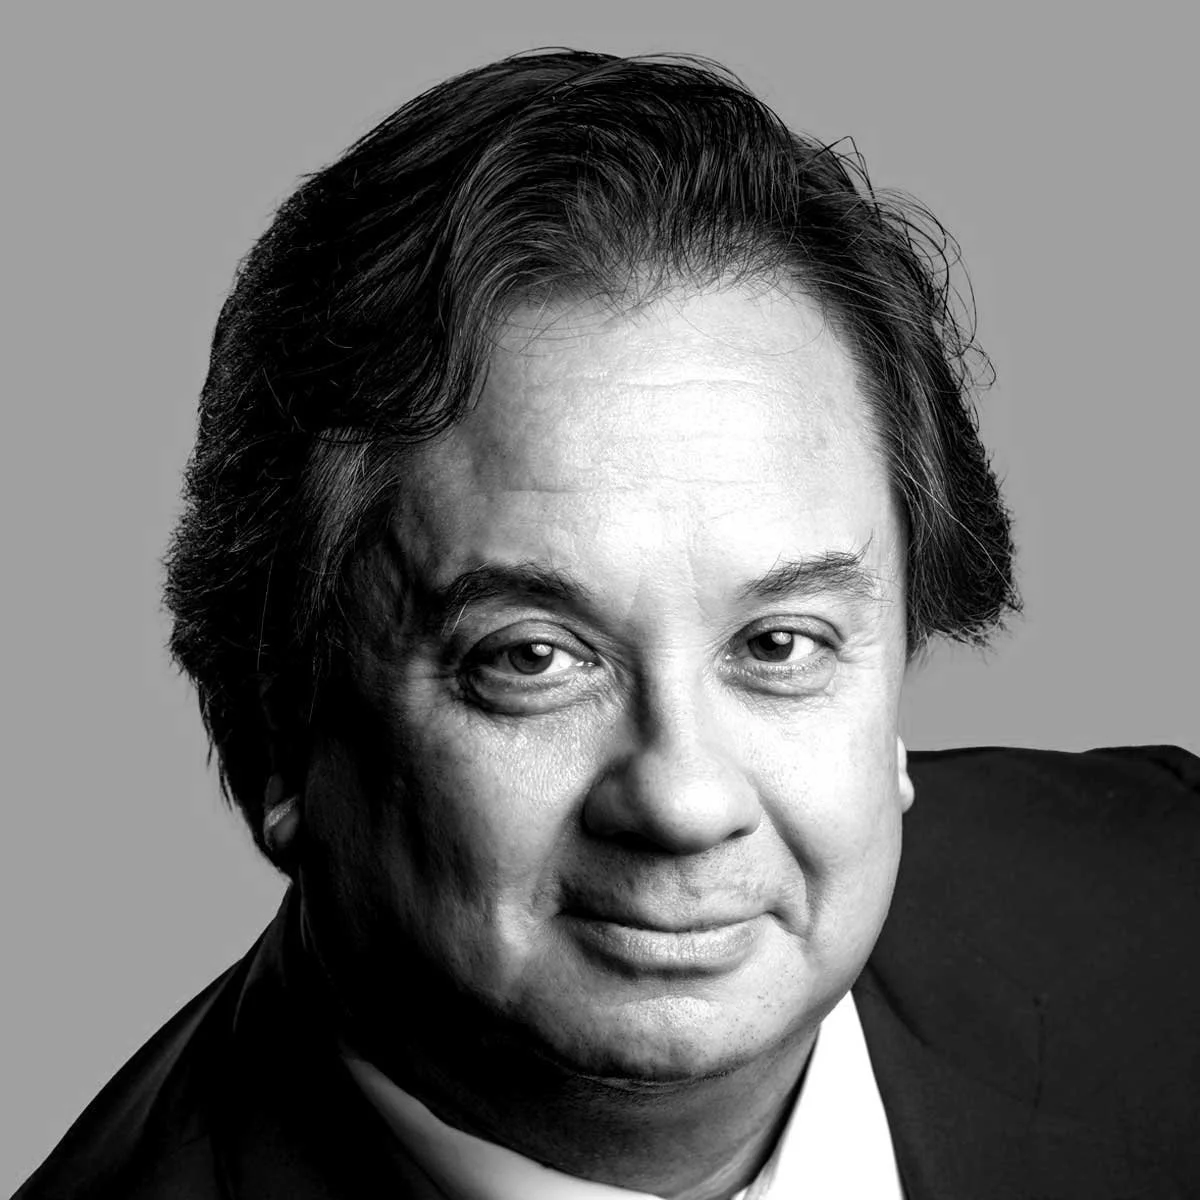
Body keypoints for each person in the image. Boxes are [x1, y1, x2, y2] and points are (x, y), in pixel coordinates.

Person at [15, 49, 1198, 1200]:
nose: (683, 803)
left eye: (779, 644)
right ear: (279, 731)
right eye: (532, 658)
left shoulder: (1169, 905)